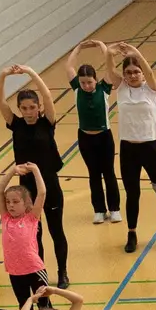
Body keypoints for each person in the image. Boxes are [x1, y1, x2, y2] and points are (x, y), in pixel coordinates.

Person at [0, 64, 72, 287]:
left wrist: (30, 72)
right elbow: (0, 101)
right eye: (24, 108)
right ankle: (40, 271)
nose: (28, 111)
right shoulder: (15, 124)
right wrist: (3, 75)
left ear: (38, 108)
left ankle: (63, 271)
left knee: (56, 230)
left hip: (49, 185)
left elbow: (47, 95)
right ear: (19, 109)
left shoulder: (47, 123)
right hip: (26, 189)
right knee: (33, 235)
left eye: (32, 107)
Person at [108, 42, 156, 254]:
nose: (132, 75)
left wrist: (136, 53)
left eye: (136, 72)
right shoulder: (121, 89)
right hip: (128, 149)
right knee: (132, 194)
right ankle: (131, 233)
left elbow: (149, 71)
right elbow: (109, 70)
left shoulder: (150, 89)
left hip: (150, 147)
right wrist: (109, 53)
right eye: (128, 72)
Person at [62, 42, 122, 226]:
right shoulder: (77, 90)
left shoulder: (104, 89)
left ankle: (114, 209)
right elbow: (69, 67)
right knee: (94, 174)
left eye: (89, 82)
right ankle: (99, 210)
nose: (87, 85)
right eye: (83, 82)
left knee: (109, 173)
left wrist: (102, 46)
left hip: (104, 137)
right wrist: (78, 48)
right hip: (86, 138)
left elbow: (109, 65)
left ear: (96, 80)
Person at [0, 164, 52, 310]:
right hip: (15, 272)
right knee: (25, 306)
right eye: (8, 202)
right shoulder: (5, 218)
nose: (10, 205)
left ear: (26, 203)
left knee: (44, 304)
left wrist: (36, 170)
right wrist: (12, 170)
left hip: (34, 269)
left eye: (15, 201)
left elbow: (42, 193)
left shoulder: (32, 217)